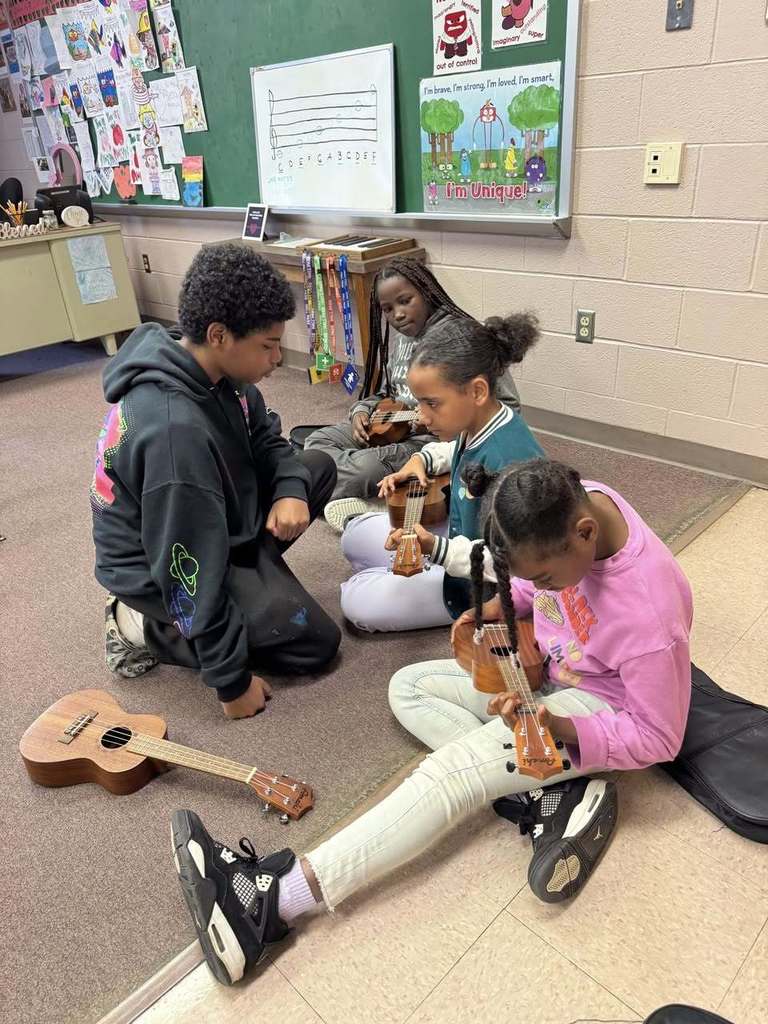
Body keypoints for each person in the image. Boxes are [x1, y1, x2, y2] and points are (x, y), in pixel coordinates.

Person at [169, 458, 693, 985]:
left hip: (597, 706)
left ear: (585, 534)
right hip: (553, 674)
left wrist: (559, 730)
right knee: (409, 686)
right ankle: (547, 793)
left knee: (450, 776)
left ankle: (272, 906)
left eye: (544, 576)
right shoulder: (576, 503)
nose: (540, 586)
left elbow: (660, 737)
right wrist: (498, 604)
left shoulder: (649, 615)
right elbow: (536, 587)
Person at [91, 242, 341, 719]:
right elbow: (184, 563)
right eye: (267, 346)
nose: (276, 358)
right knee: (315, 644)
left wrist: (289, 491)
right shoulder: (172, 433)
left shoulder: (223, 372)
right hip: (162, 562)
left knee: (314, 470)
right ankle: (141, 624)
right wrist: (231, 683)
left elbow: (269, 440)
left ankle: (248, 580)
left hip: (206, 522)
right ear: (220, 335)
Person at [337, 311, 542, 632]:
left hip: (482, 583)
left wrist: (435, 548)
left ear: (476, 392)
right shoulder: (479, 420)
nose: (422, 417)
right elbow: (455, 449)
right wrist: (423, 461)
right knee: (354, 535)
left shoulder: (512, 464)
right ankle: (393, 569)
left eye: (432, 404)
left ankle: (388, 576)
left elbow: (517, 565)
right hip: (459, 540)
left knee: (356, 602)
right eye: (420, 403)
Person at [304, 257, 522, 530]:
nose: (397, 314)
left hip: (430, 438)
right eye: (387, 308)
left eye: (406, 300)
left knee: (352, 470)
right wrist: (361, 411)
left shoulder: (462, 339)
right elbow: (386, 391)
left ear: (427, 292)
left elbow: (508, 407)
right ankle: (378, 492)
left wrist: (442, 420)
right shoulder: (401, 337)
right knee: (316, 442)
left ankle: (379, 500)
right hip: (388, 426)